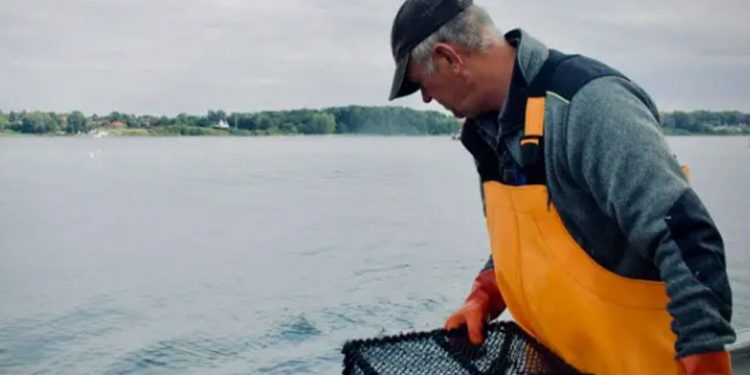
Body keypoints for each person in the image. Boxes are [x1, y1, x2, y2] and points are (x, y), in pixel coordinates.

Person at [387, 0, 736, 374]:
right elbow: (533, 240)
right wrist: (484, 295)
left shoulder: (589, 105)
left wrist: (704, 347)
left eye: (421, 83)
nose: (425, 98)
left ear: (449, 58)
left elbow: (685, 235)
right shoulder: (485, 134)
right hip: (555, 361)